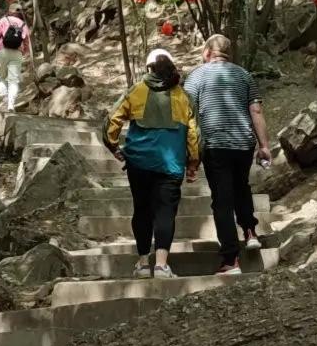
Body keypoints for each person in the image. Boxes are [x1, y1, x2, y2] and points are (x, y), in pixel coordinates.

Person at [104, 47, 200, 279]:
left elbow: (111, 122)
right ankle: (161, 266)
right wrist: (193, 163)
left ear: (149, 68)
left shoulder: (136, 91)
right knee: (165, 212)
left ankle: (142, 264)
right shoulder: (183, 96)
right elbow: (193, 135)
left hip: (139, 164)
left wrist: (114, 147)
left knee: (142, 210)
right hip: (171, 165)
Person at [184, 33, 272, 275]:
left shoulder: (196, 76)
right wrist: (264, 145)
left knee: (222, 200)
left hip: (215, 144)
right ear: (228, 54)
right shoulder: (244, 75)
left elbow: (187, 115)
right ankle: (251, 232)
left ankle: (231, 259)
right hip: (243, 143)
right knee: (241, 186)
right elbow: (256, 110)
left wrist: (190, 155)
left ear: (206, 53)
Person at [0, 5, 31, 111]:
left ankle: (4, 97)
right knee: (13, 80)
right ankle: (11, 104)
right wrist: (25, 52)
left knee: (0, 76)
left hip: (2, 50)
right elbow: (26, 40)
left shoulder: (3, 20)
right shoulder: (23, 24)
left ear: (9, 11)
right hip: (17, 53)